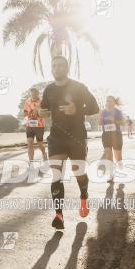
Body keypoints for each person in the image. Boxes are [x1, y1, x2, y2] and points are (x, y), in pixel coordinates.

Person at [40, 54, 99, 230]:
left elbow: (94, 108)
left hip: (77, 137)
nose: (56, 68)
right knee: (57, 175)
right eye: (54, 65)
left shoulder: (79, 87)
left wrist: (77, 108)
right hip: (56, 138)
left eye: (60, 65)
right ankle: (59, 215)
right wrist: (43, 113)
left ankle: (83, 196)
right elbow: (45, 110)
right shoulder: (48, 90)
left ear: (66, 68)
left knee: (78, 172)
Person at [100, 96, 124, 181]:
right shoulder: (103, 112)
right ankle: (111, 174)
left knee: (118, 156)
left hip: (116, 135)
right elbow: (100, 123)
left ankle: (119, 162)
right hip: (106, 135)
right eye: (107, 101)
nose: (108, 103)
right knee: (108, 155)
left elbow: (123, 123)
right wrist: (101, 118)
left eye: (110, 101)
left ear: (114, 102)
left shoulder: (118, 112)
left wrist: (114, 120)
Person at [23, 87, 47, 163]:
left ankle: (44, 153)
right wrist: (26, 119)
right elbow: (25, 112)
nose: (33, 94)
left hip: (39, 126)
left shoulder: (42, 102)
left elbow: (46, 113)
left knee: (40, 143)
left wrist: (40, 113)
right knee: (30, 143)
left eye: (35, 93)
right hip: (29, 125)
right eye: (32, 93)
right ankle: (31, 162)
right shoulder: (27, 101)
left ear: (37, 93)